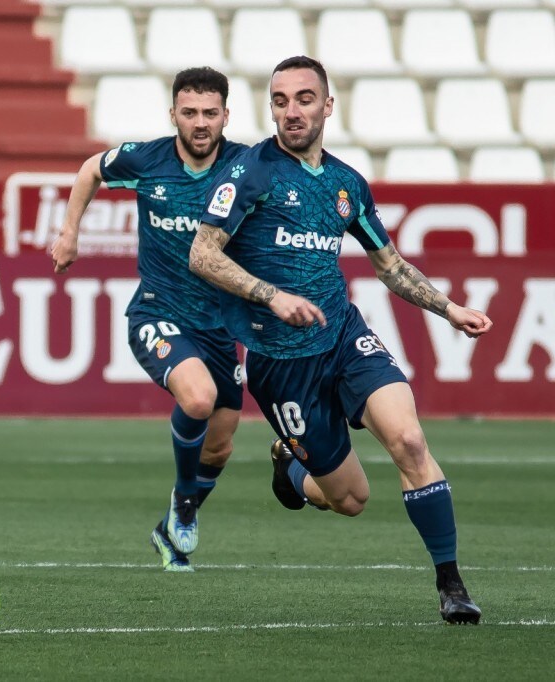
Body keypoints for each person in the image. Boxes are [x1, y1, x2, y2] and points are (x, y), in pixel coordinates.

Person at [190, 55, 491, 623]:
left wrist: (450, 309)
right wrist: (270, 295)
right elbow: (202, 253)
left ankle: (450, 583)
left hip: (343, 338)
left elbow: (390, 263)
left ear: (327, 105)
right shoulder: (250, 174)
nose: (291, 111)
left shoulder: (346, 184)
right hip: (281, 365)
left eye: (304, 98)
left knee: (409, 442)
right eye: (280, 101)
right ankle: (291, 467)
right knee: (351, 500)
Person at [50, 67, 249, 573]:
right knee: (198, 398)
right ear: (174, 115)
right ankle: (183, 503)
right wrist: (69, 232)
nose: (200, 123)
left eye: (210, 113)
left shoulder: (247, 167)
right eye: (190, 112)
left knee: (221, 444)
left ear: (226, 115)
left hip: (221, 327)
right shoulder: (146, 158)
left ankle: (169, 530)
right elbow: (91, 169)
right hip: (157, 312)